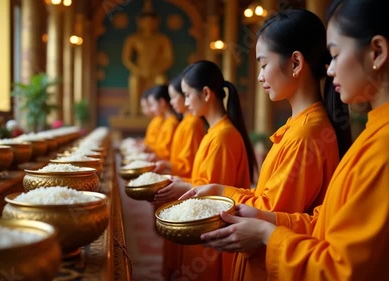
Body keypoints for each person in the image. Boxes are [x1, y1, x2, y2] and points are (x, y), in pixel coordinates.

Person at [191, 0, 389, 280]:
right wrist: (232, 199)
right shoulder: (369, 133)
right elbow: (323, 223)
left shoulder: (320, 136)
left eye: (335, 54)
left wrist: (266, 234)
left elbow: (342, 268)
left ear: (377, 52)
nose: (329, 69)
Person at [156, 60, 256, 281]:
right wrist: (181, 181)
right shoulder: (214, 132)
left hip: (212, 236)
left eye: (187, 95)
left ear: (206, 94)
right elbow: (204, 180)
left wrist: (184, 186)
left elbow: (214, 200)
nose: (184, 102)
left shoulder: (222, 136)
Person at [121, 0, 173, 116]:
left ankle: (160, 112)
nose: (148, 24)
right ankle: (135, 112)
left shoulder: (162, 39)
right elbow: (127, 59)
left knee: (161, 81)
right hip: (139, 69)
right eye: (145, 21)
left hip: (156, 70)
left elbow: (168, 59)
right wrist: (138, 69)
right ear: (139, 22)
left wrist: (157, 69)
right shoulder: (133, 39)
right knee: (134, 80)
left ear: (156, 22)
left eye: (151, 21)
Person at [155, 74, 206, 178]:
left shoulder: (193, 124)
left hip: (186, 182)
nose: (171, 102)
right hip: (180, 178)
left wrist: (167, 164)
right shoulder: (185, 122)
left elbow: (188, 166)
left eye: (173, 97)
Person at [147, 85, 180, 161]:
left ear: (162, 102)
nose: (151, 109)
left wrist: (150, 150)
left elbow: (166, 153)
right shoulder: (166, 121)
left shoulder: (172, 123)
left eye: (153, 104)